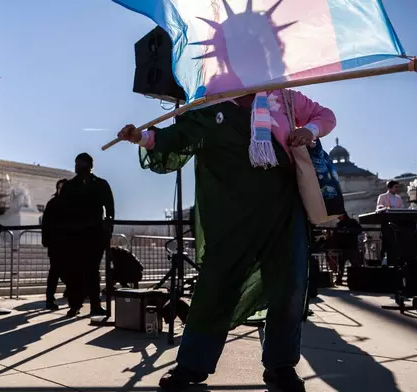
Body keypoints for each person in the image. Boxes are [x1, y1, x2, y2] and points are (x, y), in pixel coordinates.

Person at [117, 89, 336, 392]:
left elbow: (325, 116)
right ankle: (192, 365)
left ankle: (281, 366)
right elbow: (178, 137)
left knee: (290, 286)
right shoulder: (209, 104)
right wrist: (141, 137)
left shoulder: (282, 96)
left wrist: (307, 130)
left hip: (283, 209)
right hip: (231, 214)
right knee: (216, 285)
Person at [59, 153, 114, 317]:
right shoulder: (69, 186)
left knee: (92, 271)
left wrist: (107, 229)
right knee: (75, 272)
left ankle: (95, 305)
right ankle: (75, 305)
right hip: (75, 236)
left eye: (81, 164)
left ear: (89, 166)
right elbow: (63, 211)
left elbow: (109, 209)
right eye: (76, 164)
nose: (78, 167)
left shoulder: (101, 184)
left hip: (94, 235)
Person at [41, 178, 68, 310]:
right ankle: (49, 298)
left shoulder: (73, 203)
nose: (61, 190)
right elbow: (45, 223)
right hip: (56, 243)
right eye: (59, 188)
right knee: (55, 271)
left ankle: (71, 294)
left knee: (70, 271)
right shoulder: (52, 203)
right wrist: (46, 240)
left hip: (70, 243)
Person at [334, 214, 363, 285]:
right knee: (341, 265)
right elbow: (335, 235)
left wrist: (348, 231)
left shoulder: (352, 222)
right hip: (344, 247)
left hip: (351, 247)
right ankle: (339, 279)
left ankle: (357, 279)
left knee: (354, 265)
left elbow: (359, 230)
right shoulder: (339, 224)